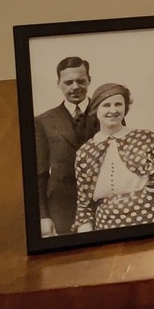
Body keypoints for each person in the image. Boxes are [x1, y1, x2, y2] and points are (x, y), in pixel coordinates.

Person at [70, 84, 154, 234]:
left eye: (118, 104)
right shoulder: (84, 152)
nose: (113, 110)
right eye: (106, 105)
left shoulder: (145, 137)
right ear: (95, 109)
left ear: (125, 108)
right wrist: (87, 237)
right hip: (108, 224)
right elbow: (84, 205)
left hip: (152, 215)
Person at [33, 55, 99, 238]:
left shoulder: (108, 113)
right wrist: (43, 216)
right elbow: (39, 172)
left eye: (81, 81)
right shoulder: (43, 121)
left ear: (89, 80)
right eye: (68, 82)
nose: (75, 87)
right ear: (58, 84)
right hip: (61, 208)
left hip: (103, 203)